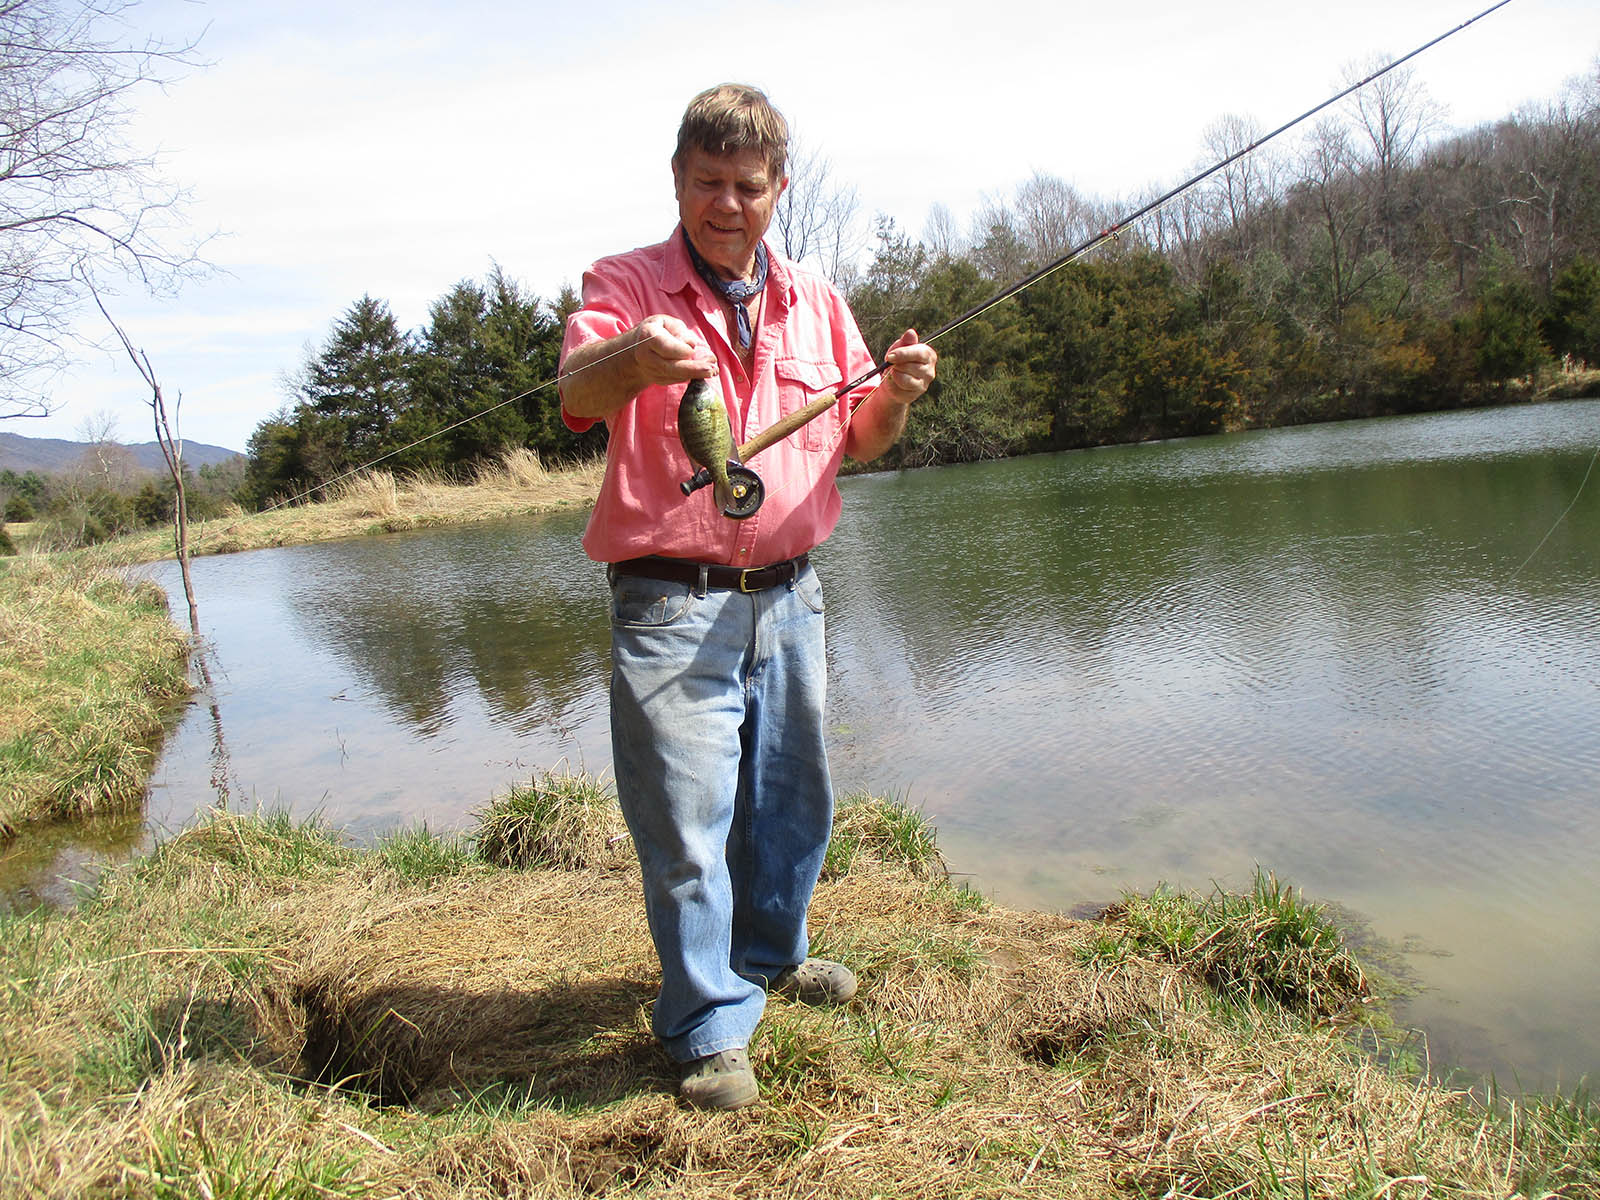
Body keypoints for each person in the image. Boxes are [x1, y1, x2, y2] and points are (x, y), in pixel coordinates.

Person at [558, 83, 936, 1110]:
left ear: (779, 188)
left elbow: (861, 439)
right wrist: (637, 356)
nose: (728, 204)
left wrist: (894, 396)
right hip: (669, 600)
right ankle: (705, 1022)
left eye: (748, 186)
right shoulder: (622, 283)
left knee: (790, 800)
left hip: (794, 594)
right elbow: (576, 398)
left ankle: (771, 955)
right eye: (707, 183)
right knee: (685, 817)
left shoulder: (818, 300)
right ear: (678, 180)